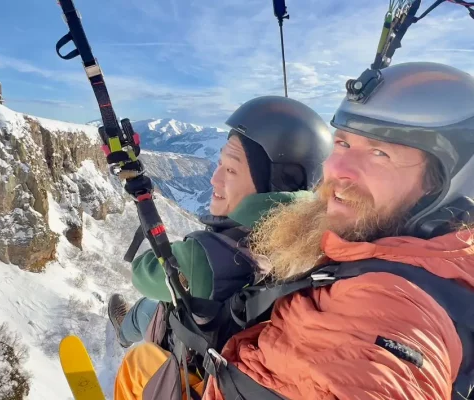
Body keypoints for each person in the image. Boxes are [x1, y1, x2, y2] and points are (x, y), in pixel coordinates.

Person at [113, 61, 474, 400]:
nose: (338, 168)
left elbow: (380, 368)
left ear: (437, 184)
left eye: (380, 153)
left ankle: (125, 329)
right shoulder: (333, 236)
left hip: (201, 370)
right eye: (343, 143)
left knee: (140, 359)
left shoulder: (399, 308)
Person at [107, 96, 333, 348]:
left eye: (231, 170)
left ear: (273, 186)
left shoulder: (210, 257)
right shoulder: (322, 237)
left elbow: (143, 272)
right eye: (220, 164)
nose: (215, 180)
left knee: (151, 309)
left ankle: (124, 331)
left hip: (202, 362)